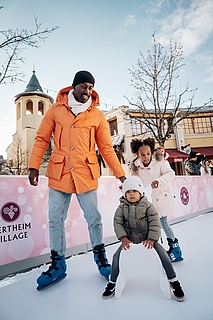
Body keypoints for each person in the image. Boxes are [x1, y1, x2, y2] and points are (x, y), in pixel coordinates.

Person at [28, 70, 126, 290]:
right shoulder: (56, 109)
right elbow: (42, 137)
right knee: (55, 219)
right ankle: (58, 265)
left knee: (94, 218)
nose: (88, 91)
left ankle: (101, 260)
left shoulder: (97, 115)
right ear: (74, 86)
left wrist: (120, 174)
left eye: (91, 87)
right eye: (84, 86)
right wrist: (33, 166)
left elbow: (106, 148)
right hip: (59, 171)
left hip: (85, 171)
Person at [102, 176, 185, 301]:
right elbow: (117, 223)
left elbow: (155, 222)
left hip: (148, 239)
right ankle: (113, 282)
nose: (131, 194)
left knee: (163, 254)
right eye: (128, 192)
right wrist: (123, 238)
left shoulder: (148, 206)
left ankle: (173, 280)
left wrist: (152, 238)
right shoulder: (121, 208)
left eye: (134, 191)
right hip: (130, 240)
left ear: (140, 192)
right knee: (116, 257)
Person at [130, 137, 183, 263]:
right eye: (142, 155)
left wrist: (158, 181)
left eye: (148, 154)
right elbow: (135, 182)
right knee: (152, 225)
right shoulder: (137, 167)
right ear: (137, 154)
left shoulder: (160, 161)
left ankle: (175, 249)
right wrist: (128, 186)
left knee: (163, 222)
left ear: (151, 152)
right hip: (149, 200)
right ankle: (156, 250)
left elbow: (170, 173)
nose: (146, 157)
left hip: (162, 197)